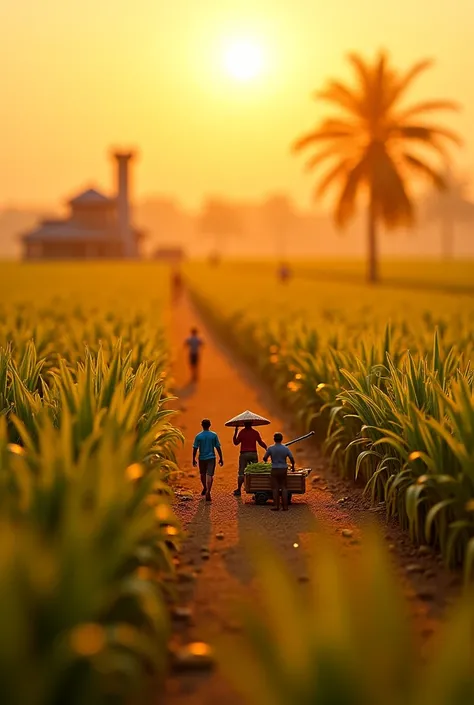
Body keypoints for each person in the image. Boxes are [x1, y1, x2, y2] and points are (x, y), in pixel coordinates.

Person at [232, 421, 267, 497]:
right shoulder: (255, 432)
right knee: (255, 472)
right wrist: (266, 448)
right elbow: (260, 442)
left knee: (241, 472)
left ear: (244, 424)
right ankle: (256, 490)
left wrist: (235, 433)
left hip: (244, 454)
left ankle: (238, 490)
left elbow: (235, 443)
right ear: (252, 424)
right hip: (253, 454)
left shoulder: (242, 432)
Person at [193, 418, 223, 501]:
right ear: (210, 425)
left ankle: (205, 488)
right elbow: (218, 447)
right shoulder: (214, 435)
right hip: (211, 458)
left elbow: (195, 448)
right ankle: (208, 490)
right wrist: (221, 458)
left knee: (203, 474)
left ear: (202, 425)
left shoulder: (198, 436)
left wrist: (193, 459)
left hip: (202, 458)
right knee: (209, 475)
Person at [263, 432, 295, 511]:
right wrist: (293, 466)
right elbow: (291, 458)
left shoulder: (271, 448)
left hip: (274, 469)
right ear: (282, 439)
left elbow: (264, 458)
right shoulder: (285, 448)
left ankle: (276, 506)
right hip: (283, 469)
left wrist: (267, 460)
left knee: (275, 488)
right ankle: (285, 507)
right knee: (284, 487)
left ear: (274, 439)